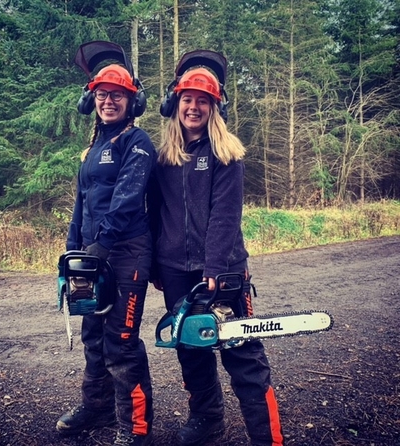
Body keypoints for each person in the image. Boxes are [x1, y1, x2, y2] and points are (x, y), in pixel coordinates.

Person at [149, 55, 284, 446]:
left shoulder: (227, 154)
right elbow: (157, 214)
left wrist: (213, 267)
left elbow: (225, 216)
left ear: (214, 108)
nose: (194, 107)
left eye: (202, 101)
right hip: (175, 269)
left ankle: (267, 436)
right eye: (187, 99)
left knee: (241, 354)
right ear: (175, 104)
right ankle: (207, 419)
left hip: (222, 269)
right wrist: (159, 264)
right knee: (191, 348)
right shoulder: (165, 158)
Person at [56, 56, 155, 446]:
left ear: (133, 101)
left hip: (126, 250)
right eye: (101, 94)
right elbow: (82, 201)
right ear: (91, 99)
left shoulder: (137, 141)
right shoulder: (94, 145)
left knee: (121, 340)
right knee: (92, 333)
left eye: (116, 95)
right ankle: (95, 406)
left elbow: (128, 198)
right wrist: (72, 251)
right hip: (91, 251)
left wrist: (102, 243)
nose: (108, 101)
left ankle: (136, 428)